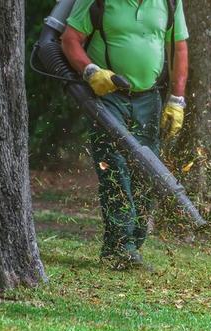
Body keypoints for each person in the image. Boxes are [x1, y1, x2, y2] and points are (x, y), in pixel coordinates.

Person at [61, 0, 189, 271]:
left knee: (147, 173)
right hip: (107, 98)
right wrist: (90, 71)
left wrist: (177, 98)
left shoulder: (169, 2)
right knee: (114, 169)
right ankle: (120, 249)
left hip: (149, 98)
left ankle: (132, 244)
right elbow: (70, 39)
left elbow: (179, 47)